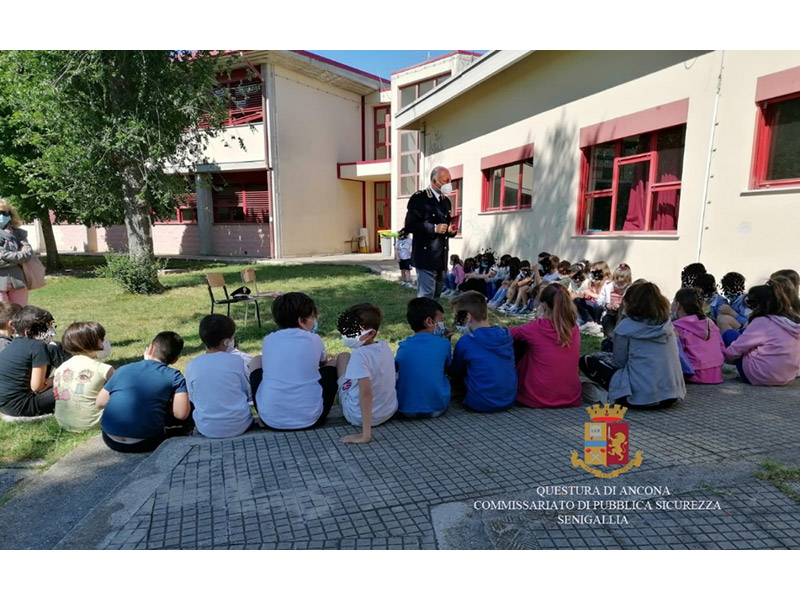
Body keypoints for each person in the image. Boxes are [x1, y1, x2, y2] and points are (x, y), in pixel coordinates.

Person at [579, 281, 686, 408]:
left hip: (639, 396)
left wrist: (603, 357)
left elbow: (619, 363)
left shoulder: (626, 327)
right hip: (670, 395)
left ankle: (609, 395)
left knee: (586, 361)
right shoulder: (667, 325)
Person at [253, 292, 338, 430]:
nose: (315, 321)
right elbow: (323, 363)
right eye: (312, 317)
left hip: (270, 419)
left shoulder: (268, 339)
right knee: (333, 363)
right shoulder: (314, 339)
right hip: (311, 418)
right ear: (301, 321)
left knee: (257, 360)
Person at [96, 332, 192, 453]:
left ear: (151, 349)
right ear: (175, 360)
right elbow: (181, 414)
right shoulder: (175, 376)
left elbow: (100, 402)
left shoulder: (123, 369)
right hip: (145, 442)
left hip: (110, 439)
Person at [509, 283, 581, 408]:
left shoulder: (537, 327)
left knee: (519, 342)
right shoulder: (574, 328)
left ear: (544, 306)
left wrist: (539, 318)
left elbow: (508, 333)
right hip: (570, 396)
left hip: (537, 396)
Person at [336, 303, 398, 443]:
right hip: (388, 411)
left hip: (358, 416)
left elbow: (366, 395)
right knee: (345, 357)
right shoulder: (384, 346)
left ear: (370, 333)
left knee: (342, 358)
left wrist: (365, 435)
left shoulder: (359, 355)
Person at [185, 315, 253, 438]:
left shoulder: (192, 365)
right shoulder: (237, 361)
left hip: (206, 428)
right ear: (227, 341)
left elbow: (193, 397)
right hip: (240, 425)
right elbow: (247, 392)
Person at [722, 281, 800, 386]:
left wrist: (725, 358)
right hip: (786, 376)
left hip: (759, 375)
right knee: (742, 333)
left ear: (758, 304)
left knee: (729, 334)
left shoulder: (762, 322)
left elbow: (737, 348)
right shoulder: (791, 321)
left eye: (750, 303)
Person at [450, 291, 517, 412]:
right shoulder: (505, 335)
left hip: (480, 403)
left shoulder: (466, 342)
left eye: (458, 317)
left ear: (467, 317)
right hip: (509, 399)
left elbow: (455, 372)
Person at [404, 166, 458, 299]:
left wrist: (450, 231)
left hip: (441, 257)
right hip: (425, 257)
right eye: (445, 181)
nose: (449, 184)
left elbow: (445, 226)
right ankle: (424, 314)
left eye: (450, 180)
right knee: (426, 297)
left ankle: (433, 314)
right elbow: (410, 225)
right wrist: (433, 228)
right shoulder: (420, 198)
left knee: (436, 296)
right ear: (434, 181)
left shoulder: (446, 201)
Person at [0, 305, 63, 417]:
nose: (50, 332)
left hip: (6, 407)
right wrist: (55, 379)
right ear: (28, 331)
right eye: (45, 329)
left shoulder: (14, 343)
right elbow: (37, 387)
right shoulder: (37, 346)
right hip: (23, 406)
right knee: (74, 386)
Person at [52, 322, 115, 432]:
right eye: (101, 339)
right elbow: (126, 387)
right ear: (91, 343)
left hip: (63, 423)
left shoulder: (61, 368)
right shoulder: (103, 368)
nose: (105, 342)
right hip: (94, 423)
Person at [395, 297, 452, 418]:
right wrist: (447, 340)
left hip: (405, 409)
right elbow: (448, 368)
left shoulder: (403, 346)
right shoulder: (443, 343)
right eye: (441, 321)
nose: (443, 325)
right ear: (429, 321)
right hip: (437, 408)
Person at [671, 288, 725, 384]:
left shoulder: (677, 327)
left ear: (678, 305)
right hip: (716, 373)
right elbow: (721, 346)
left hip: (694, 373)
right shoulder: (710, 323)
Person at [0, 199, 33, 306]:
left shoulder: (19, 233)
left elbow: (27, 254)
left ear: (11, 215)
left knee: (20, 313)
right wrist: (18, 259)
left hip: (18, 282)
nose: (2, 216)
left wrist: (4, 255)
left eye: (5, 213)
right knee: (3, 314)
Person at [574, 261, 611, 335]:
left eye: (593, 272)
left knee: (596, 304)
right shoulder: (593, 282)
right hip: (593, 306)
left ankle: (595, 323)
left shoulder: (607, 283)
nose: (591, 274)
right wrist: (584, 294)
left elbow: (603, 299)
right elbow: (588, 296)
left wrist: (590, 293)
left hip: (600, 308)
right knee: (577, 300)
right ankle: (588, 321)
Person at [598, 263, 633, 339]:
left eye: (622, 283)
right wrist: (607, 305)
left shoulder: (631, 289)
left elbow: (633, 306)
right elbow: (599, 301)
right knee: (611, 334)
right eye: (617, 282)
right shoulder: (607, 286)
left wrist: (620, 307)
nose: (619, 285)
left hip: (624, 317)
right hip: (609, 315)